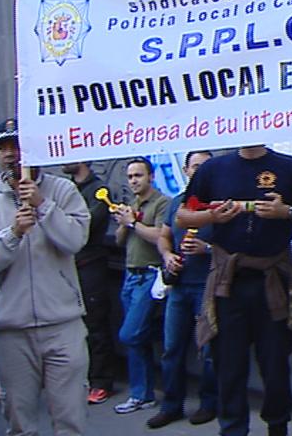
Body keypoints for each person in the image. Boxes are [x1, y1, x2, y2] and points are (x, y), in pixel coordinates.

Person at [177, 144, 292, 436]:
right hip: (228, 283)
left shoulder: (288, 166)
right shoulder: (213, 169)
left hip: (272, 280)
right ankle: (232, 429)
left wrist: (287, 211)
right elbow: (183, 216)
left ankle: (277, 426)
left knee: (275, 364)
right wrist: (212, 217)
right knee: (228, 365)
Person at [0, 118, 91, 435]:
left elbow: (75, 241)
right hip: (11, 328)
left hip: (62, 324)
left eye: (17, 145)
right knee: (20, 421)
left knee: (70, 418)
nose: (11, 154)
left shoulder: (63, 190)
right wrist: (13, 234)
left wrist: (43, 205)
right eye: (3, 147)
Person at [146, 150, 218, 429]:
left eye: (206, 167)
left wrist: (206, 248)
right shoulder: (177, 202)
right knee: (172, 348)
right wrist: (167, 256)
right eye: (195, 166)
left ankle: (209, 403)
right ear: (187, 170)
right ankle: (171, 405)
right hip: (178, 286)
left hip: (208, 286)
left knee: (209, 350)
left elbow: (235, 248)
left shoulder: (222, 205)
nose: (200, 172)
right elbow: (164, 237)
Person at [112, 157, 170, 414]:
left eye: (138, 175)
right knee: (137, 339)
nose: (133, 181)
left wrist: (133, 223)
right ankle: (142, 394)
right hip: (130, 275)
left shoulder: (162, 203)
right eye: (130, 177)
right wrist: (123, 223)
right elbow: (119, 241)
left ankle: (145, 392)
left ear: (151, 177)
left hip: (150, 275)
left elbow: (160, 236)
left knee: (130, 334)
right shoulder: (132, 204)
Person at [62, 160, 119, 405]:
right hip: (67, 266)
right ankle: (80, 377)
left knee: (96, 323)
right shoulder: (66, 187)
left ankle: (101, 381)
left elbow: (84, 225)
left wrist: (60, 222)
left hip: (90, 265)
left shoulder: (99, 190)